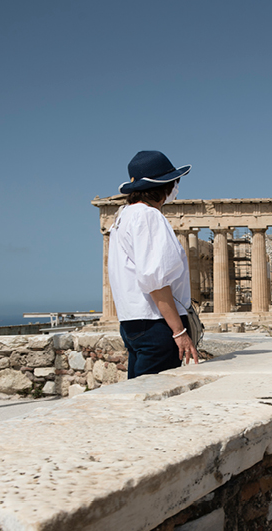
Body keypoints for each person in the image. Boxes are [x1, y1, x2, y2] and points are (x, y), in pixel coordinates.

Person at [108, 150, 199, 378]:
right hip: (156, 323)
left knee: (137, 395)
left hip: (132, 322)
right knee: (152, 402)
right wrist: (179, 332)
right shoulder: (148, 216)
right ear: (164, 185)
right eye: (175, 182)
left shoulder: (123, 216)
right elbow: (154, 280)